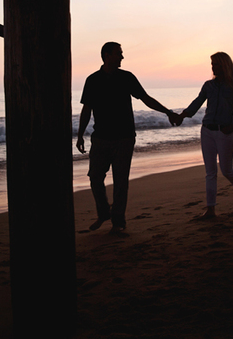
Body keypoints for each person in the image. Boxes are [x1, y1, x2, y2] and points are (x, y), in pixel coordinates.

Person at [77, 42, 179, 234]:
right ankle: (103, 212)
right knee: (95, 178)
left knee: (121, 181)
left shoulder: (127, 77)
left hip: (124, 138)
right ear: (107, 55)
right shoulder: (93, 80)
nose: (122, 57)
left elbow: (145, 98)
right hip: (100, 138)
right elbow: (86, 109)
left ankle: (118, 222)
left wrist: (168, 112)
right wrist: (80, 134)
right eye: (119, 54)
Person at [175, 52, 233, 218]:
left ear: (224, 65)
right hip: (207, 130)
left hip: (224, 131)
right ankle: (211, 209)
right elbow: (196, 103)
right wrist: (182, 115)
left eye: (215, 64)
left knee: (226, 170)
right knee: (210, 172)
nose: (213, 67)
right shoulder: (209, 85)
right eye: (212, 64)